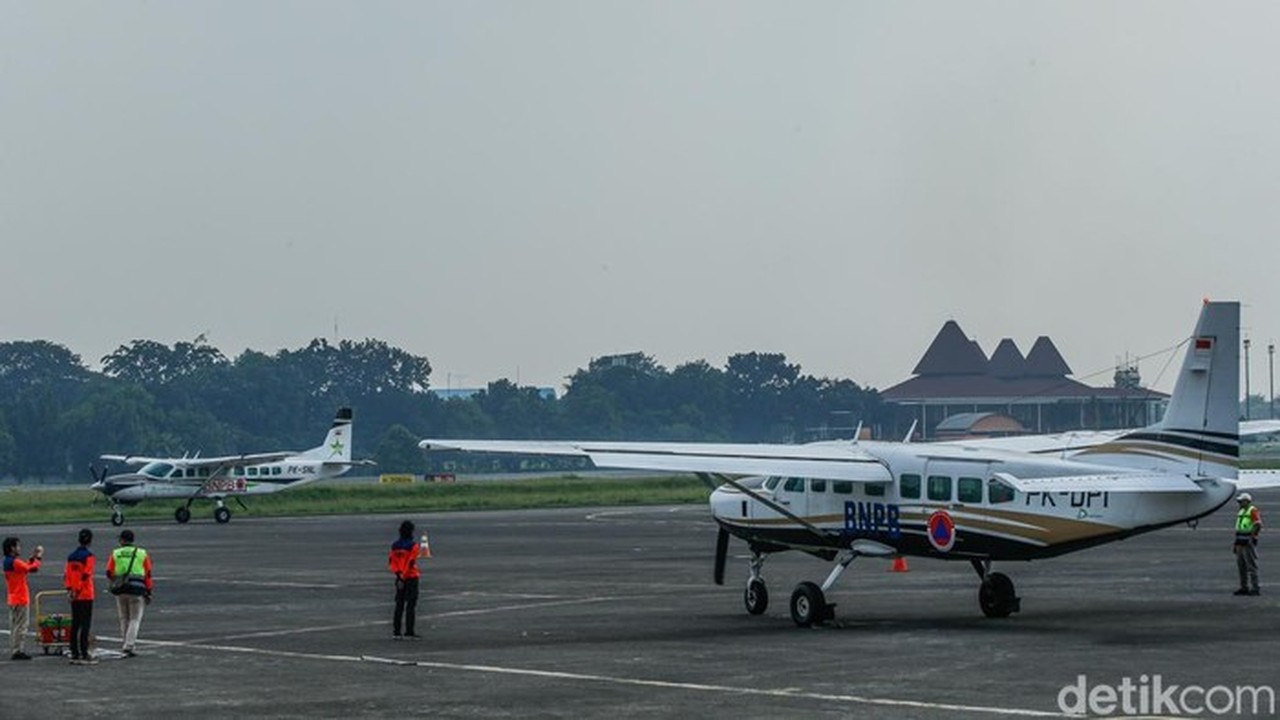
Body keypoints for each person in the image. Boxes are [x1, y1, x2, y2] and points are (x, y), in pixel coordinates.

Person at [105, 529, 152, 657]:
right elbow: (148, 574)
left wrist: (114, 581)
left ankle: (125, 643)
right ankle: (129, 645)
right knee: (135, 619)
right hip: (137, 589)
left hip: (120, 589)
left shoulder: (116, 553)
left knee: (124, 618)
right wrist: (149, 591)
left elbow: (109, 572)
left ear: (122, 540)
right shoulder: (142, 553)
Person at [3, 536, 43, 660]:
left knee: (15, 626)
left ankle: (15, 648)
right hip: (20, 597)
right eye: (18, 546)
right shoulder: (15, 562)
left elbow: (25, 566)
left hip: (12, 597)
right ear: (12, 548)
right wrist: (38, 557)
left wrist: (32, 558)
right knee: (22, 625)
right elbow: (33, 568)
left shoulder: (7, 561)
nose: (19, 548)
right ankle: (18, 650)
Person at [64, 528, 97, 665]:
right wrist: (78, 590)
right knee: (85, 624)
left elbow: (67, 575)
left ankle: (74, 652)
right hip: (85, 593)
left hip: (74, 593)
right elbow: (86, 575)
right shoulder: (89, 556)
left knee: (75, 623)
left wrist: (70, 590)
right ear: (90, 541)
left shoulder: (71, 556)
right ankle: (84, 652)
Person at [388, 520, 422, 639]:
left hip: (399, 577)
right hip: (411, 577)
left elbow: (392, 562)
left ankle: (396, 631)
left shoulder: (394, 546)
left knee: (399, 604)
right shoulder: (413, 546)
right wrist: (404, 575)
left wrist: (398, 575)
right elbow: (410, 562)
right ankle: (409, 631)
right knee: (410, 605)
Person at [1234, 492, 1262, 596]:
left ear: (1247, 501)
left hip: (1247, 543)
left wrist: (1252, 537)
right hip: (1240, 542)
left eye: (1241, 501)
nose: (1239, 503)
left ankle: (1255, 587)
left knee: (1251, 566)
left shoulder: (1252, 510)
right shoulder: (1241, 511)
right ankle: (1244, 587)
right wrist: (1235, 544)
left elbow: (1258, 524)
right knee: (1241, 566)